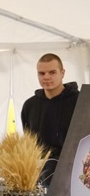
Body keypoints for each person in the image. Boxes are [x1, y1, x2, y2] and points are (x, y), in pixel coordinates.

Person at [21, 53, 80, 186]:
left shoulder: (81, 102)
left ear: (62, 73)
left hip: (75, 173)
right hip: (40, 176)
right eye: (41, 73)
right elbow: (29, 143)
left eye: (52, 72)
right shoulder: (29, 106)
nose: (46, 77)